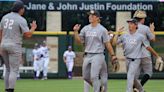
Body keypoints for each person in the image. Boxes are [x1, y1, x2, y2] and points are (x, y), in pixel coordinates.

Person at [73, 10, 117, 92]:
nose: (90, 17)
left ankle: (97, 90)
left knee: (94, 76)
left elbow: (107, 44)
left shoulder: (102, 29)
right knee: (85, 77)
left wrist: (113, 55)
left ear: (97, 18)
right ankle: (99, 88)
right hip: (87, 55)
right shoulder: (85, 28)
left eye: (92, 16)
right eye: (90, 15)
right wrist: (75, 31)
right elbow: (79, 41)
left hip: (98, 55)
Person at [113, 18, 161, 92]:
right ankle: (141, 90)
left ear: (136, 25)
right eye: (129, 23)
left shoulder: (140, 36)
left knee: (130, 77)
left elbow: (148, 47)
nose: (129, 25)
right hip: (127, 60)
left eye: (131, 23)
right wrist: (117, 33)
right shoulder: (124, 35)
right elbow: (114, 43)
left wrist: (157, 56)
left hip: (136, 60)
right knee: (134, 78)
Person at [0, 1, 37, 92]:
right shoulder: (21, 19)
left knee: (8, 69)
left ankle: (6, 89)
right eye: (23, 8)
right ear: (21, 9)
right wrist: (33, 28)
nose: (23, 10)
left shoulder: (5, 17)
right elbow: (28, 34)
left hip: (3, 44)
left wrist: (1, 45)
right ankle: (10, 90)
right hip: (14, 45)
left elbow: (1, 32)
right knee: (14, 70)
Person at [133, 10, 155, 89]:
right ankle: (139, 87)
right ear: (142, 19)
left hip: (134, 54)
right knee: (148, 72)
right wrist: (152, 29)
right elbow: (153, 39)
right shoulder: (145, 28)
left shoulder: (131, 27)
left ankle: (136, 88)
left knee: (135, 75)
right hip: (145, 53)